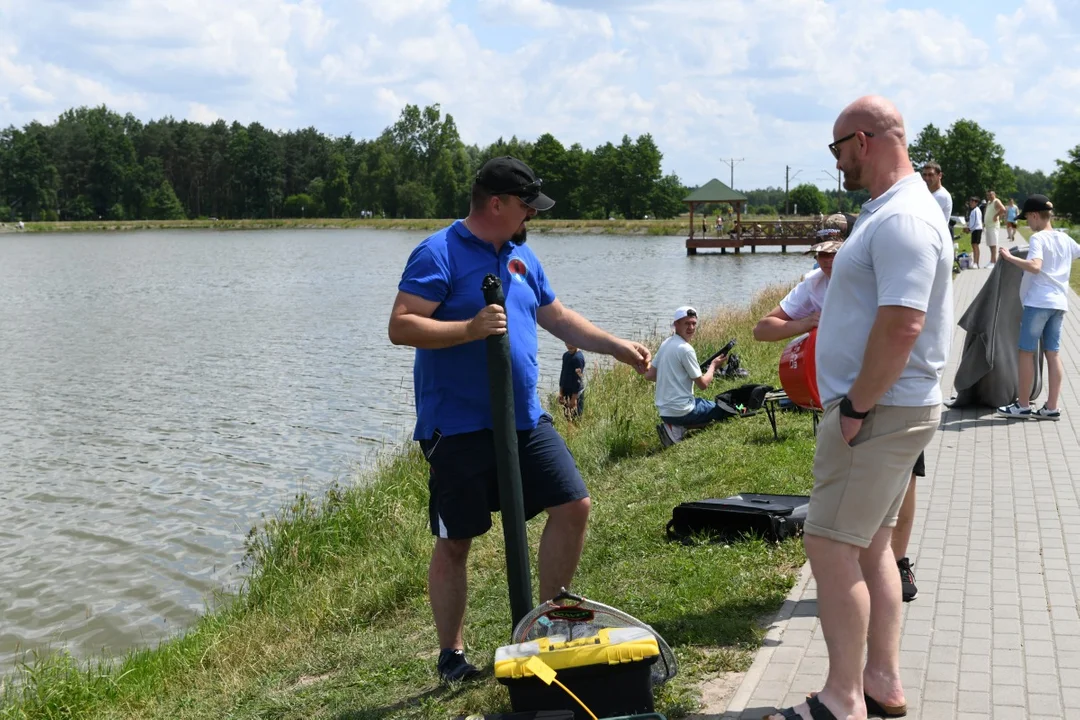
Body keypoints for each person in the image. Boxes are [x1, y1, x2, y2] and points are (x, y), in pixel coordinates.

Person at [388, 156, 651, 683]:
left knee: (573, 503)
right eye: (527, 206)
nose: (532, 216)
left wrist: (615, 346)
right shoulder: (438, 252)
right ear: (497, 204)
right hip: (457, 428)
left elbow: (555, 314)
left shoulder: (521, 256)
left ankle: (546, 626)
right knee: (456, 540)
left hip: (525, 421)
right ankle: (452, 656)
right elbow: (401, 325)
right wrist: (468, 328)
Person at [768, 96, 952, 720]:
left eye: (837, 147)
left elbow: (903, 324)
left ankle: (842, 697)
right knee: (874, 545)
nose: (837, 160)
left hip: (878, 410)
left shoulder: (902, 219)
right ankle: (881, 682)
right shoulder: (889, 211)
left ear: (864, 140)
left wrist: (857, 407)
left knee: (828, 544)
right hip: (890, 407)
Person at [996, 194, 1080, 420]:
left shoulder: (1038, 239)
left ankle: (1023, 405)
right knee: (1053, 354)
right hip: (1059, 304)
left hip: (1038, 302)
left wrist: (1009, 257)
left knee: (1026, 352)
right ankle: (1051, 407)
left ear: (1035, 215)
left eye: (1028, 219)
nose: (1027, 224)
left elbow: (1035, 266)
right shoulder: (1065, 239)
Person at [645, 306, 732, 447]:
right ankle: (677, 428)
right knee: (723, 410)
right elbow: (703, 385)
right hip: (683, 411)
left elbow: (650, 375)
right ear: (676, 325)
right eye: (686, 323)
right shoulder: (686, 349)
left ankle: (675, 427)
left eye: (694, 323)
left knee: (705, 406)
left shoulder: (666, 343)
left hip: (665, 412)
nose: (691, 327)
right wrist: (713, 366)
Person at [558, 342, 586, 420]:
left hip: (575, 393)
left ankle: (575, 431)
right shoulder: (566, 355)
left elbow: (578, 379)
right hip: (566, 391)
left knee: (575, 418)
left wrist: (574, 398)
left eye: (572, 343)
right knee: (567, 416)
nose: (569, 346)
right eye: (567, 343)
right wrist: (561, 392)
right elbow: (563, 373)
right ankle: (568, 431)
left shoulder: (578, 358)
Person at [920, 162, 951, 226]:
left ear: (940, 175)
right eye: (924, 175)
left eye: (930, 175)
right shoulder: (923, 192)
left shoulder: (942, 196)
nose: (926, 178)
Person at [983, 190, 1005, 267]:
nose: (988, 197)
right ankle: (992, 260)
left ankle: (993, 261)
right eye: (987, 195)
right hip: (988, 226)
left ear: (994, 194)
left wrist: (996, 216)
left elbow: (1003, 209)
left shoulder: (996, 201)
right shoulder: (989, 203)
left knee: (993, 244)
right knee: (990, 244)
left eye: (990, 195)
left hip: (993, 226)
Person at [964, 196, 984, 268]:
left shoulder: (976, 210)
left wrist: (969, 229)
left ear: (976, 203)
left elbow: (976, 222)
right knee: (974, 245)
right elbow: (971, 222)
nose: (971, 203)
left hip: (977, 229)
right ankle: (975, 262)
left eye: (973, 202)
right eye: (970, 201)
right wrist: (968, 227)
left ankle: (976, 263)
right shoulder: (973, 210)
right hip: (974, 229)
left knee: (975, 246)